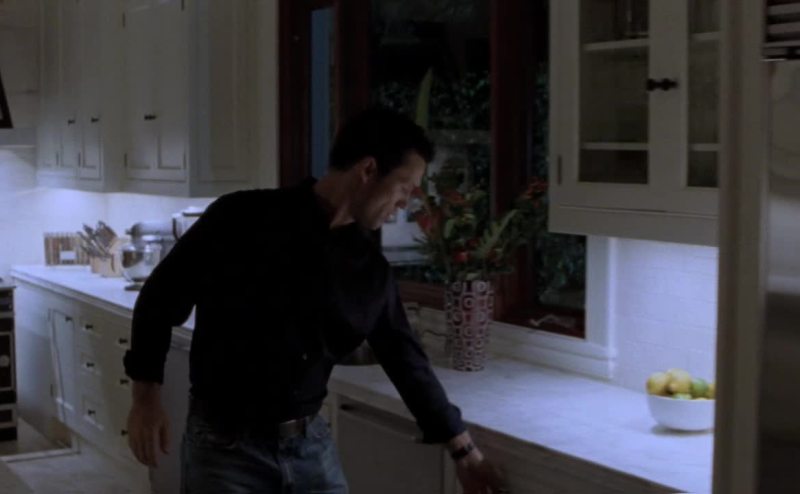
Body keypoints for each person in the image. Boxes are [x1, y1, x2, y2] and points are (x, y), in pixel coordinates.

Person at [124, 107, 507, 493]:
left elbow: (406, 360)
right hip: (225, 451)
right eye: (404, 188)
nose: (405, 204)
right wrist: (145, 400)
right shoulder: (241, 217)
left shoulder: (369, 270)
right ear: (368, 170)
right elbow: (159, 299)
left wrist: (465, 452)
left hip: (309, 447)